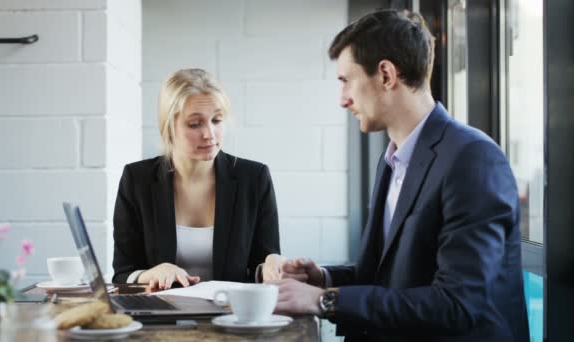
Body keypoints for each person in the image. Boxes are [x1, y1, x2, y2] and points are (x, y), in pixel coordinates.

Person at [273, 9, 530, 341]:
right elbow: (390, 276)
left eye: (346, 81)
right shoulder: (393, 158)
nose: (343, 99)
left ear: (385, 74)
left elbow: (458, 303)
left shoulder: (473, 159)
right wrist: (322, 278)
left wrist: (325, 301)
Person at [112, 68, 284, 290]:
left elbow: (261, 264)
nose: (210, 134)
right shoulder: (137, 179)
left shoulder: (254, 178)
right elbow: (123, 273)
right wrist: (150, 273)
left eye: (217, 120)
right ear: (169, 126)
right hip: (162, 315)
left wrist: (270, 264)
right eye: (195, 124)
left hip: (231, 315)